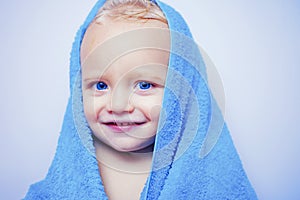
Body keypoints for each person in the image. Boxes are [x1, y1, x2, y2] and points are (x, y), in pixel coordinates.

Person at [25, 0, 257, 199]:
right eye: (101, 85)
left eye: (144, 85)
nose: (118, 106)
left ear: (183, 94)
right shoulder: (58, 189)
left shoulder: (216, 184)